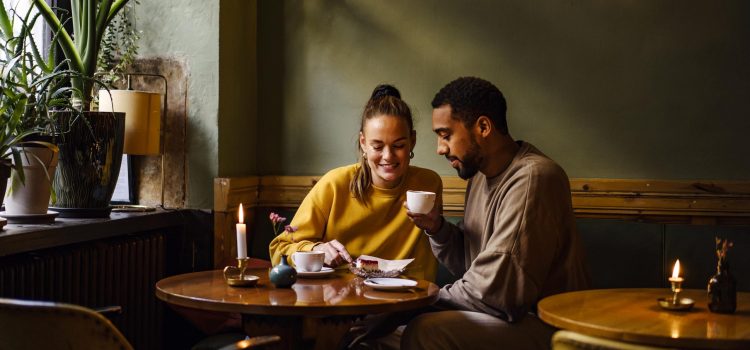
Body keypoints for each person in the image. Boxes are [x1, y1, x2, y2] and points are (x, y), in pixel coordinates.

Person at [401, 77, 590, 349]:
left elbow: (495, 292)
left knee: (427, 332)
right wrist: (437, 228)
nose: (440, 148)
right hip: (507, 318)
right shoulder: (478, 177)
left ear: (483, 127)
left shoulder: (534, 178)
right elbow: (474, 266)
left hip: (553, 327)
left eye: (446, 135)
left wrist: (412, 304)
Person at [269, 84, 441, 281]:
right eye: (377, 146)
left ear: (413, 141)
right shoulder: (335, 184)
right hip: (341, 303)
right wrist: (316, 249)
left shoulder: (428, 184)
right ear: (363, 143)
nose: (388, 156)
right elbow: (279, 249)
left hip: (406, 302)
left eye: (399, 146)